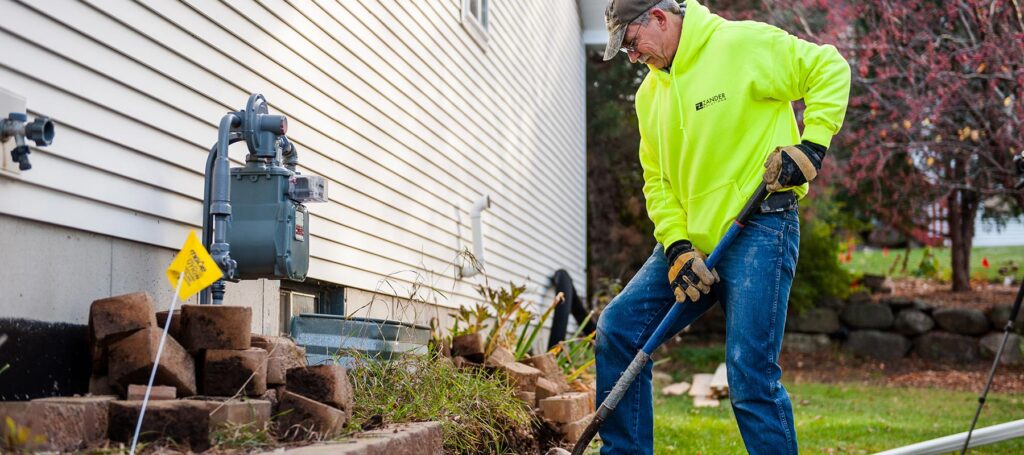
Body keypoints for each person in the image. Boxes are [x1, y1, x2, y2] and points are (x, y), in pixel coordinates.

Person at [594, 0, 851, 453]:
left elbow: (828, 67)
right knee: (618, 329)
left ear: (659, 18)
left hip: (760, 227)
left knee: (749, 375)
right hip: (694, 244)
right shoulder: (648, 96)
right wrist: (676, 248)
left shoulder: (741, 44)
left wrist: (812, 145)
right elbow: (657, 182)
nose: (633, 57)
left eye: (632, 44)